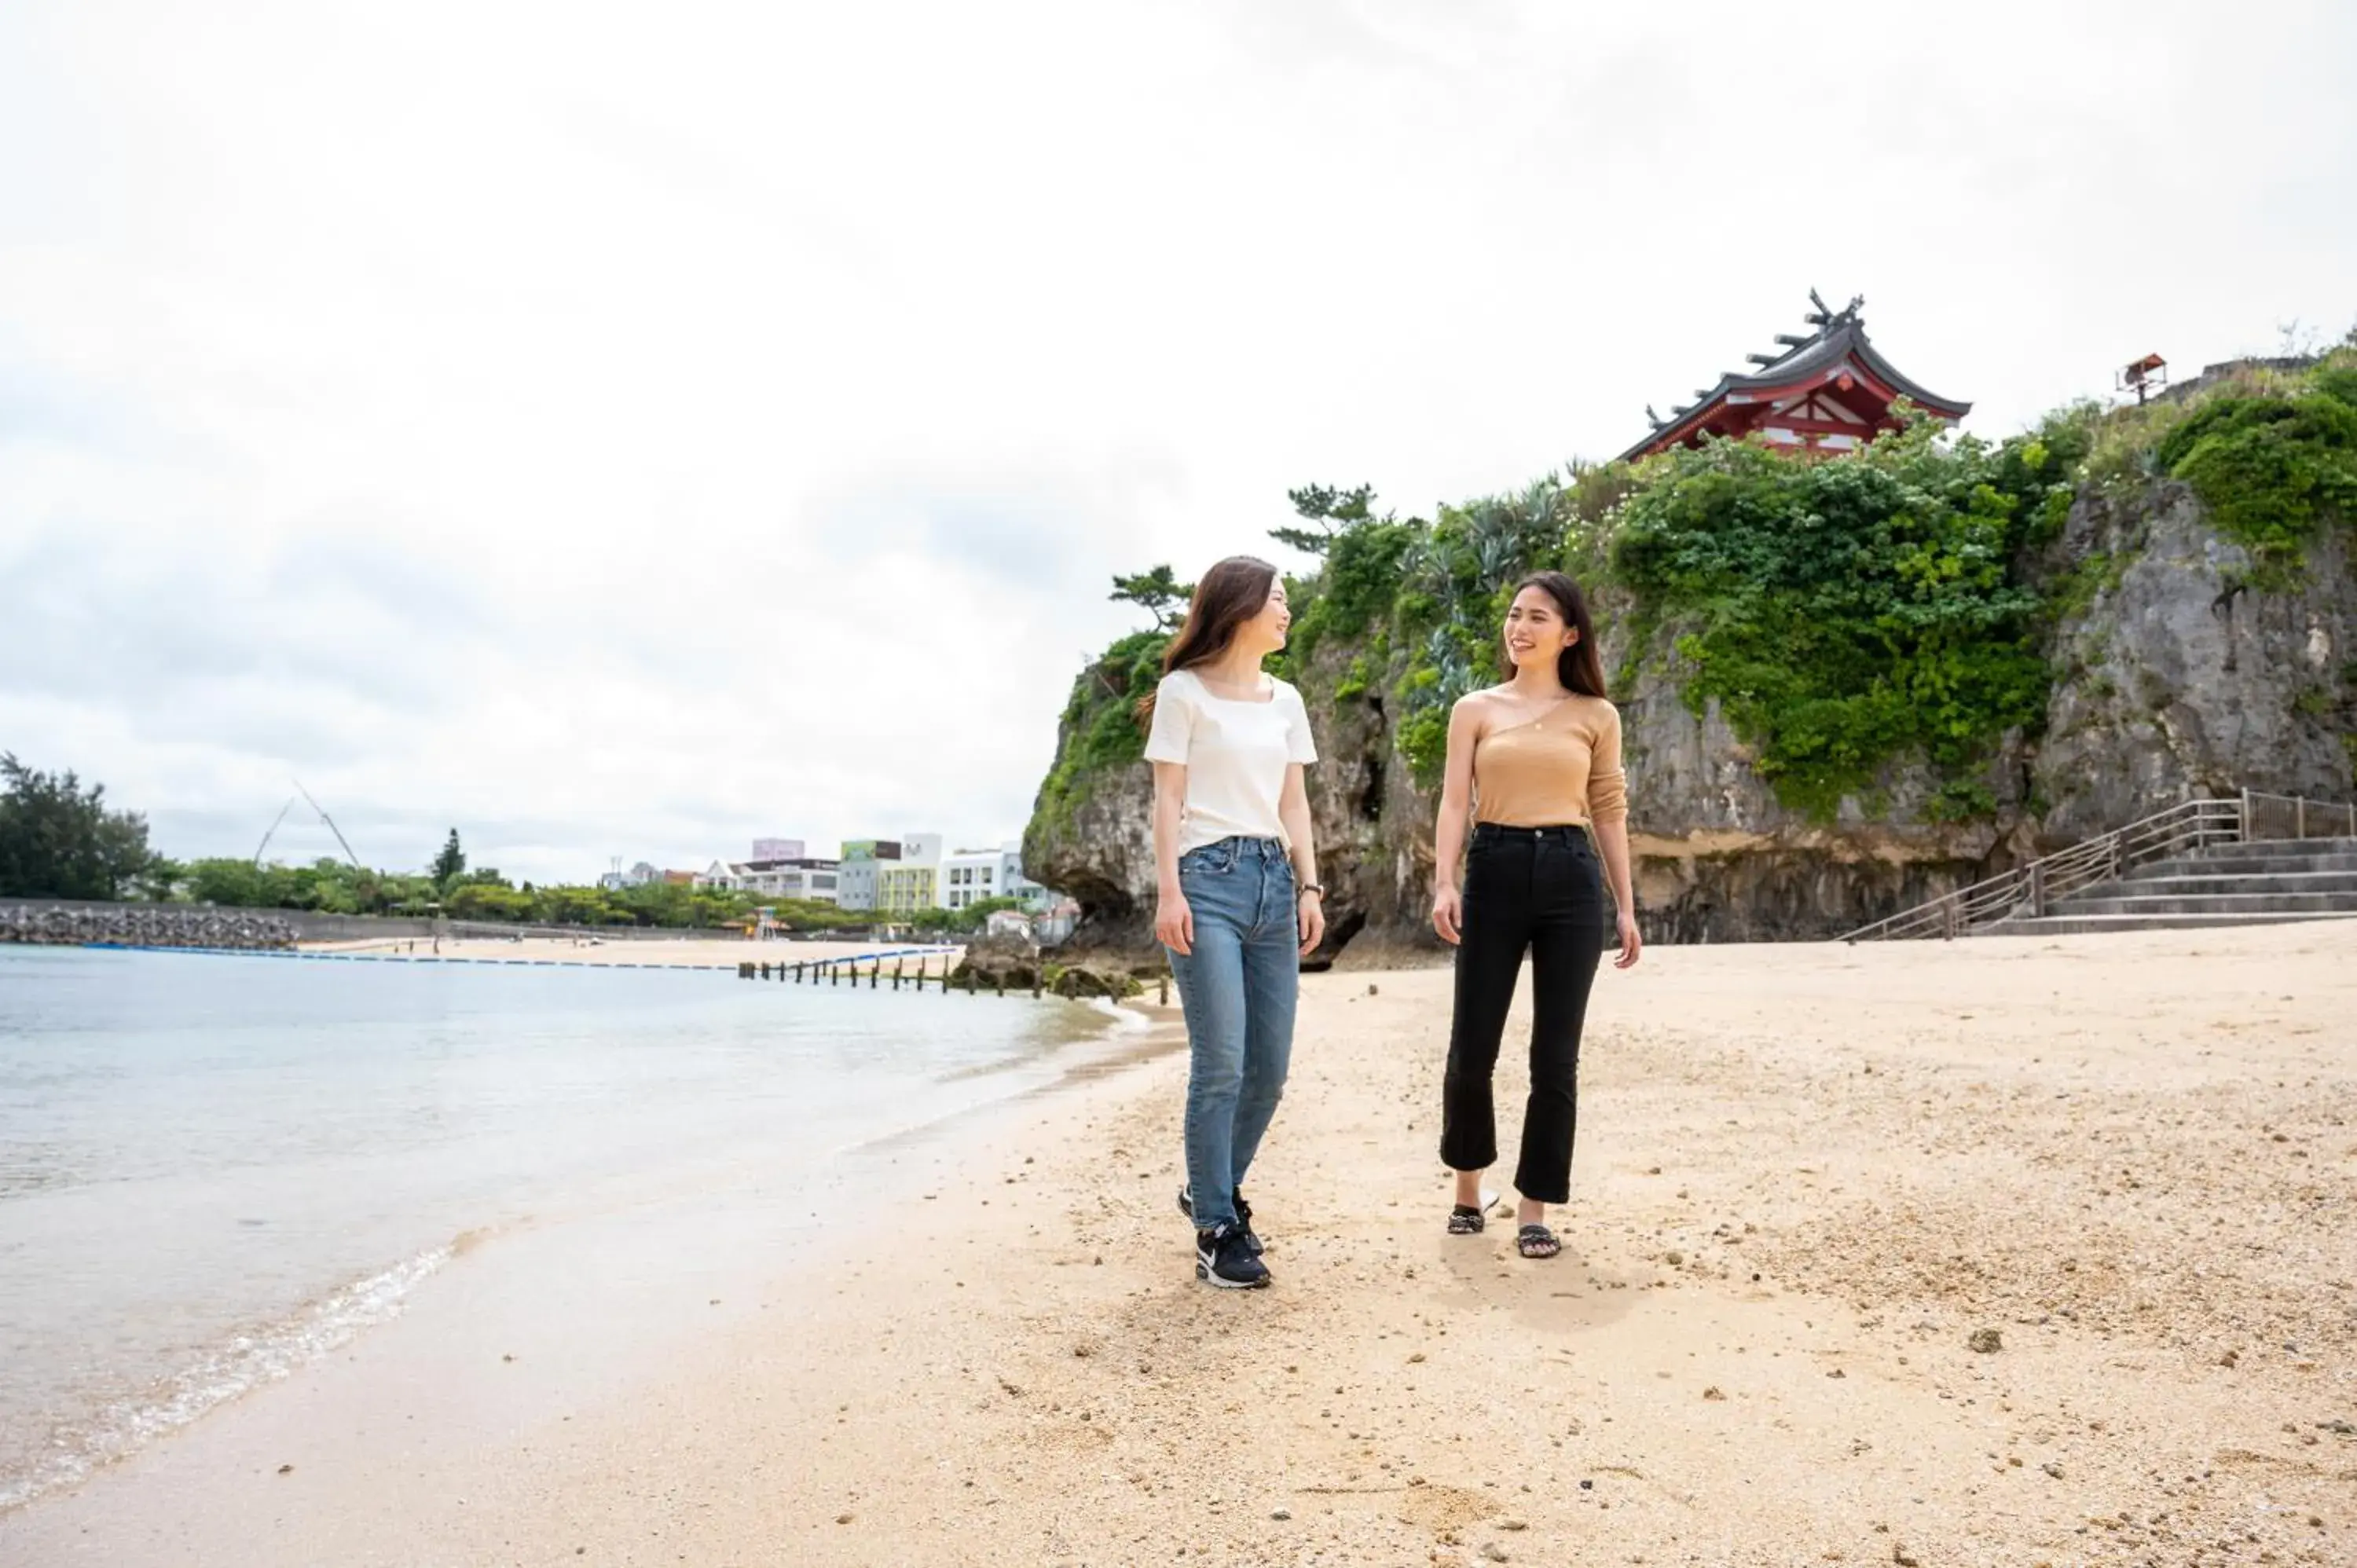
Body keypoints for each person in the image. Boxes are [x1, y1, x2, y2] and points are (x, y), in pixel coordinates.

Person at [1428, 571, 1640, 1259]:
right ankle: (1468, 1187)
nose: (1519, 627)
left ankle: (1534, 1207)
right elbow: (1456, 802)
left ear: (1570, 633)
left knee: (1556, 1056)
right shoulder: (1475, 709)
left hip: (1571, 879)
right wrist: (1444, 881)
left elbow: (1608, 810)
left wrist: (1626, 906)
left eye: (1537, 618)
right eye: (1515, 615)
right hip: (1492, 867)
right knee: (1473, 1046)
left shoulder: (1595, 716)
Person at [1144, 556, 1325, 1289]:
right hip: (1206, 881)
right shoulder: (1181, 692)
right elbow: (1166, 799)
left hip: (1275, 886)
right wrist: (1167, 892)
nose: (1288, 611)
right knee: (1221, 1062)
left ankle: (1209, 1186)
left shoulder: (1288, 698)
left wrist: (1310, 887)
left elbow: (1295, 804)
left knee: (1270, 1069)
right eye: (1279, 599)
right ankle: (1217, 1225)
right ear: (1241, 605)